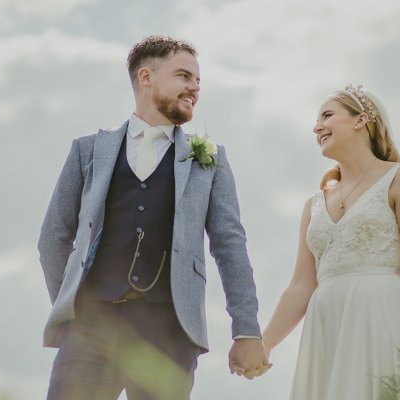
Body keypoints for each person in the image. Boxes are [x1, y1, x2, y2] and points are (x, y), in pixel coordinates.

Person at [38, 35, 268, 400]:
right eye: (183, 76)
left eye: (197, 81)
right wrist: (73, 308)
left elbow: (230, 246)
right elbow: (53, 236)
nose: (194, 87)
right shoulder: (87, 151)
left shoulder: (210, 161)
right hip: (89, 332)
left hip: (168, 335)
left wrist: (247, 329)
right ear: (146, 77)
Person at [261, 85, 400, 399]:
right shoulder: (314, 205)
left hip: (380, 314)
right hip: (326, 327)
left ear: (360, 119)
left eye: (327, 115)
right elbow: (300, 285)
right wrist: (265, 342)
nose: (317, 126)